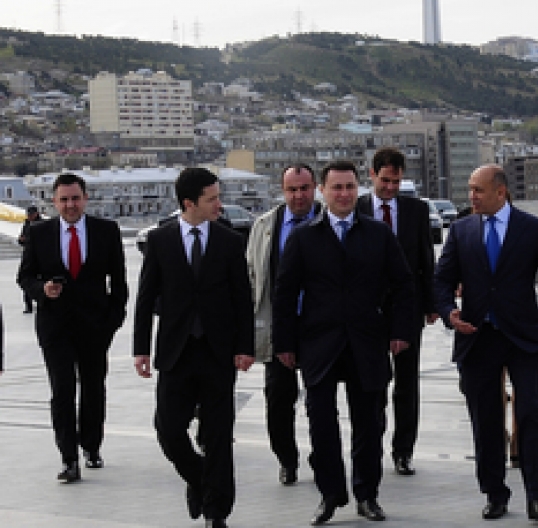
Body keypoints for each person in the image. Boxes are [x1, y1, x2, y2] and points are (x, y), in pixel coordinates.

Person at [433, 164, 538, 522]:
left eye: (478, 190)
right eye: (470, 189)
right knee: (485, 418)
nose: (471, 196)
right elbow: (441, 282)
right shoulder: (460, 231)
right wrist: (448, 312)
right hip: (477, 337)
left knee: (531, 411)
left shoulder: (532, 229)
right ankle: (495, 493)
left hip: (522, 337)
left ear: (500, 192)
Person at [273, 160, 415, 525]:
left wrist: (399, 331)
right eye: (336, 187)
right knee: (321, 423)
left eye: (350, 187)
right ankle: (331, 493)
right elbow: (285, 294)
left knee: (370, 423)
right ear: (323, 190)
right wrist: (283, 343)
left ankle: (367, 494)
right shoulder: (304, 237)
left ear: (358, 189)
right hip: (318, 344)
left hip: (367, 342)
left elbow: (403, 286)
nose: (344, 194)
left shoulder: (379, 234)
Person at [134, 167, 255, 528]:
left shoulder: (230, 241)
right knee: (169, 430)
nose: (219, 204)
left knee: (218, 435)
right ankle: (200, 478)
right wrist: (141, 349)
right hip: (176, 352)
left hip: (218, 353)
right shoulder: (160, 240)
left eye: (219, 196)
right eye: (212, 199)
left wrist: (245, 346)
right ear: (189, 203)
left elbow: (241, 300)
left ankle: (216, 512)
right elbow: (145, 298)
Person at [16, 173, 128, 483]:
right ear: (54, 202)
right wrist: (43, 289)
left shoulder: (106, 231)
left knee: (93, 390)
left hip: (95, 328)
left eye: (75, 198)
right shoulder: (39, 234)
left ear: (85, 198)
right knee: (62, 392)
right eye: (63, 199)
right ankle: (68, 458)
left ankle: (91, 446)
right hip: (55, 328)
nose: (70, 205)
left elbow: (119, 283)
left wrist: (112, 322)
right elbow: (24, 278)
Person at [356, 147, 437, 477]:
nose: (390, 188)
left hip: (406, 308)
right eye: (385, 180)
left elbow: (426, 260)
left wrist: (431, 305)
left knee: (407, 382)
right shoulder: (356, 207)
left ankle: (404, 450)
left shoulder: (416, 211)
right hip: (366, 310)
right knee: (372, 380)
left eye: (397, 181)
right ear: (372, 175)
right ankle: (372, 440)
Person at [246, 164, 322, 486]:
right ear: (283, 190)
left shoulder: (329, 222)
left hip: (321, 327)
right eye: (292, 189)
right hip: (279, 328)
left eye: (304, 188)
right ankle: (286, 459)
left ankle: (323, 458)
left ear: (315, 187)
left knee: (321, 401)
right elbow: (252, 277)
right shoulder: (264, 227)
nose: (299, 195)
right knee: (278, 399)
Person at [18, 205, 43, 314]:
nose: (29, 217)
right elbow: (22, 240)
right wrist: (22, 240)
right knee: (27, 279)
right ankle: (28, 305)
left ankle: (41, 301)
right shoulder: (26, 225)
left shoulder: (42, 224)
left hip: (41, 256)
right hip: (29, 256)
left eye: (31, 215)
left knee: (41, 280)